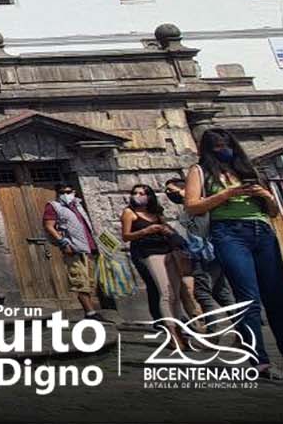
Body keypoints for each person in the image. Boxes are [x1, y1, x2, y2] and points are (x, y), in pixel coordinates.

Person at [182, 128, 283, 377]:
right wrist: (227, 193)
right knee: (248, 298)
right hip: (229, 233)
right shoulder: (200, 170)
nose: (223, 150)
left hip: (262, 231)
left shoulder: (247, 169)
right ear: (208, 149)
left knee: (277, 298)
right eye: (217, 146)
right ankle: (259, 360)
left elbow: (272, 212)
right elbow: (192, 206)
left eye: (226, 145)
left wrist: (266, 195)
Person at [120, 183, 192, 349]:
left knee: (175, 293)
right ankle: (172, 335)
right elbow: (126, 236)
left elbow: (166, 227)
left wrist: (165, 230)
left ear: (149, 196)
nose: (138, 196)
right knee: (165, 293)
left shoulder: (156, 212)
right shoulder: (129, 213)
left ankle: (180, 330)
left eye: (142, 193)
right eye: (135, 193)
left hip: (167, 251)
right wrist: (146, 231)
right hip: (149, 252)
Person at [164, 175, 235, 314]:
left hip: (208, 254)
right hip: (199, 255)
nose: (169, 194)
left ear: (184, 188)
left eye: (171, 190)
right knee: (220, 292)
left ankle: (213, 327)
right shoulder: (184, 211)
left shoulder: (201, 204)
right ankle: (242, 322)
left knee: (202, 293)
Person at [43, 182, 102, 320]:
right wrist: (63, 243)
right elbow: (49, 226)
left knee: (90, 281)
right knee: (80, 280)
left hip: (89, 247)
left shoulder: (78, 205)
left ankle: (92, 311)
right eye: (61, 192)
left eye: (68, 192)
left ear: (74, 192)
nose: (65, 195)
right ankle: (90, 312)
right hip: (74, 248)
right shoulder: (54, 206)